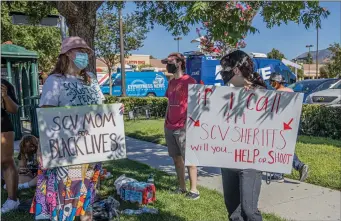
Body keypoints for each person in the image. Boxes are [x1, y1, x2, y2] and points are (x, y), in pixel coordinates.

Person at [29, 36, 105, 221]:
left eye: (87, 52)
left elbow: (101, 108)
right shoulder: (54, 81)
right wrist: (42, 146)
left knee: (88, 190)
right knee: (68, 192)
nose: (86, 55)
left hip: (91, 147)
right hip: (66, 149)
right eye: (82, 51)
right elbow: (46, 115)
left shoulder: (91, 79)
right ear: (68, 54)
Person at [219, 50, 266, 221]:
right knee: (233, 212)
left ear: (236, 70)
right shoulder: (225, 95)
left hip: (250, 160)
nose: (223, 73)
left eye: (225, 69)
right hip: (228, 159)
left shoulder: (261, 92)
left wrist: (253, 97)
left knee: (249, 210)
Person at [161, 52, 200, 200]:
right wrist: (165, 121)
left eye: (170, 62)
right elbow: (169, 104)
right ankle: (182, 187)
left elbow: (196, 104)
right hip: (169, 126)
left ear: (179, 62)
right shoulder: (171, 82)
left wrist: (189, 123)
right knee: (177, 159)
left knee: (189, 158)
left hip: (184, 127)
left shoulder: (190, 81)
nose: (167, 65)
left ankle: (194, 190)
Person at [269, 72, 309, 183]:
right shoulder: (291, 92)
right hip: (290, 125)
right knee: (285, 148)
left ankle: (279, 174)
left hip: (279, 124)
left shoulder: (276, 94)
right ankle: (299, 167)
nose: (271, 84)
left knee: (278, 147)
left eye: (271, 82)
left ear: (276, 82)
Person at [1, 78, 20, 214]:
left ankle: (12, 200)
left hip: (3, 127)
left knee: (6, 161)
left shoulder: (3, 83)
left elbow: (14, 109)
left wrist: (5, 96)